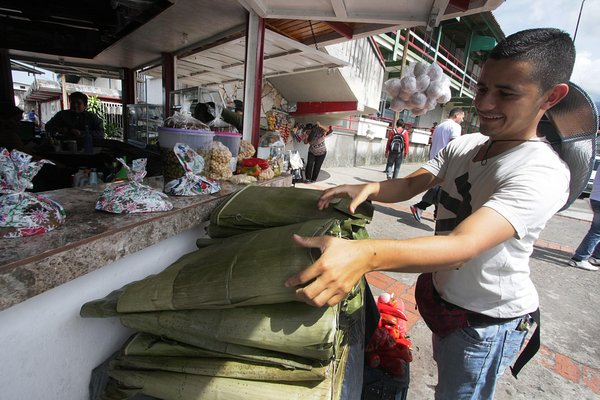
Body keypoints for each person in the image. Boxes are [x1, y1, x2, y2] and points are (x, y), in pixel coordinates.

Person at [285, 28, 575, 399]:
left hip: (485, 320)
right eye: (483, 88)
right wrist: (370, 188)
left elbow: (462, 245)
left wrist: (364, 256)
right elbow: (409, 186)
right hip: (446, 300)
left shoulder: (541, 172)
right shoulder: (467, 144)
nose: (485, 104)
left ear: (551, 97)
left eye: (506, 94)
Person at [410, 107, 465, 221]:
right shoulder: (455, 127)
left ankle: (436, 214)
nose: (462, 120)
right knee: (441, 189)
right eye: (462, 117)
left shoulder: (439, 126)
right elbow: (454, 146)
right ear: (456, 115)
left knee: (439, 188)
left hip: (434, 160)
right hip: (446, 162)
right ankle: (420, 206)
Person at [567, 172, 600, 271]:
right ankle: (579, 258)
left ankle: (596, 256)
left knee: (596, 231)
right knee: (596, 232)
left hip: (595, 198)